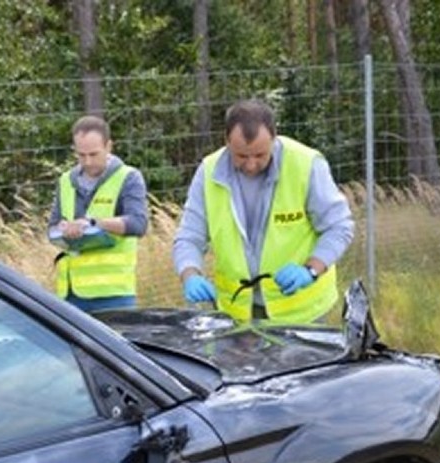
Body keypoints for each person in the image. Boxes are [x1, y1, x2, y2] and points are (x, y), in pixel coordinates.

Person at [172, 99, 354, 323]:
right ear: (226, 141)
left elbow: (339, 227)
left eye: (260, 155)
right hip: (238, 314)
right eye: (241, 156)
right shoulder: (208, 172)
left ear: (274, 139)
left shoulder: (306, 165)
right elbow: (189, 237)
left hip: (302, 312)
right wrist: (190, 274)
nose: (250, 165)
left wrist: (311, 270)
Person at [48, 115, 149, 313]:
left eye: (94, 154)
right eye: (81, 155)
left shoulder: (128, 177)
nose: (87, 161)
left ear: (109, 146)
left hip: (113, 295)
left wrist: (94, 224)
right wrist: (62, 229)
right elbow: (51, 227)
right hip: (70, 294)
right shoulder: (66, 181)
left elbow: (138, 223)